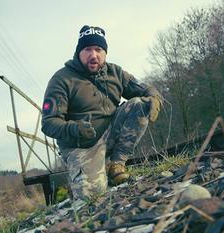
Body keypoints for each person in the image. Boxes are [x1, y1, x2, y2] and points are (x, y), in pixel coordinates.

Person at [41, 25, 162, 200]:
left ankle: (116, 164)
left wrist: (154, 97)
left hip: (109, 133)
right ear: (78, 52)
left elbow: (144, 89)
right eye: (87, 49)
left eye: (98, 49)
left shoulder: (115, 72)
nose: (93, 55)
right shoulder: (62, 80)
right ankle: (82, 176)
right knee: (93, 196)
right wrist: (75, 128)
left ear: (105, 52)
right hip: (81, 145)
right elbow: (48, 123)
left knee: (139, 104)